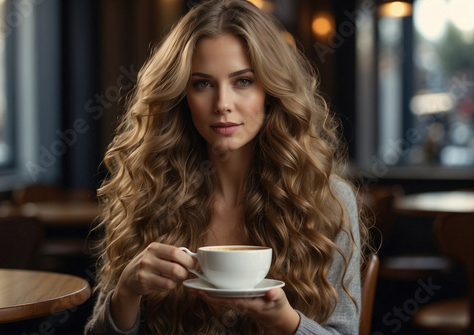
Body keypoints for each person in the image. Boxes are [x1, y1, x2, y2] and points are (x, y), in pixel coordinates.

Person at [85, 0, 370, 334]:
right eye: (203, 83)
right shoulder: (150, 191)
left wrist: (285, 322)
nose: (222, 104)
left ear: (271, 90)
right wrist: (127, 292)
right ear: (182, 95)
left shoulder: (327, 200)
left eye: (243, 81)